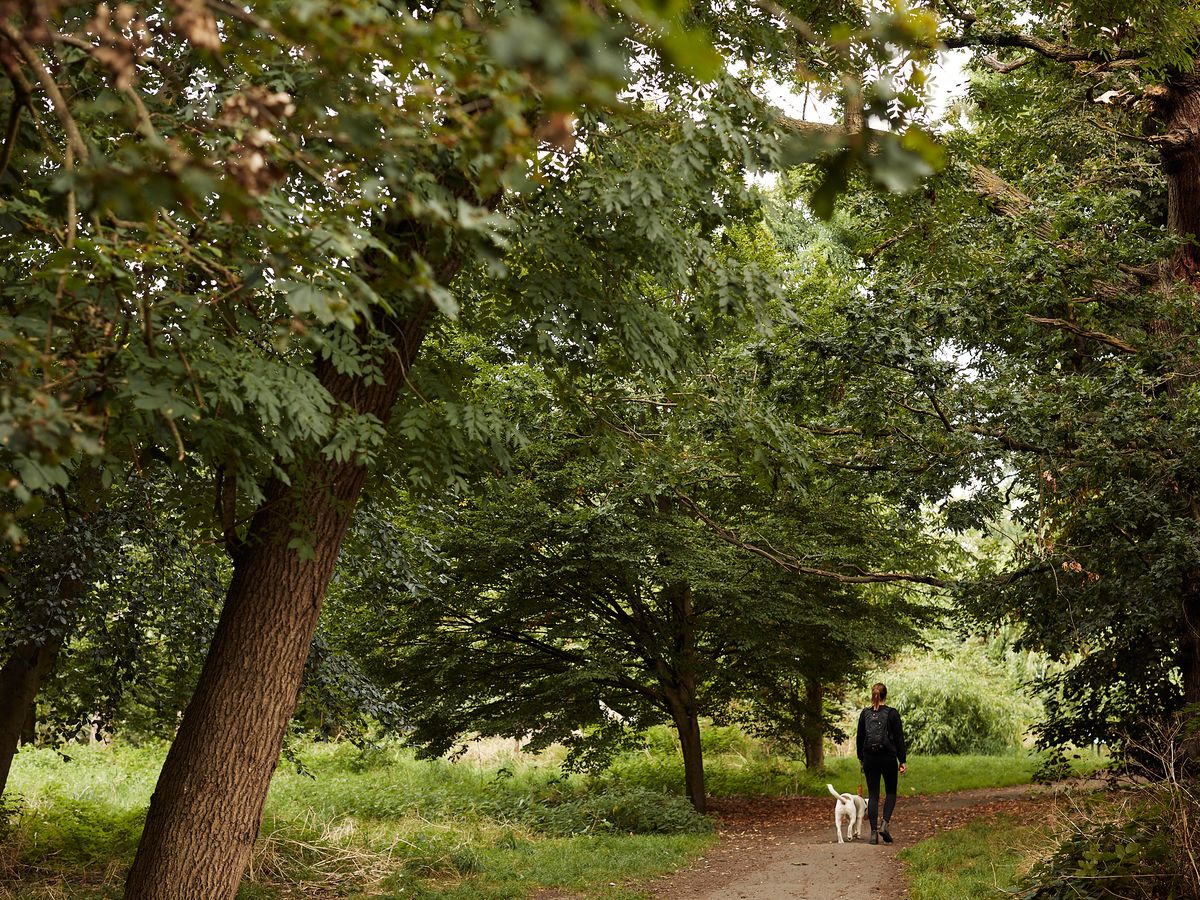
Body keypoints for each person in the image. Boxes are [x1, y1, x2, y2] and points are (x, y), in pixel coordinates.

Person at [855, 681, 906, 845]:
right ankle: (884, 824)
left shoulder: (865, 713)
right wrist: (902, 760)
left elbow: (860, 738)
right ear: (886, 695)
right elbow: (899, 739)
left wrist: (861, 759)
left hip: (870, 758)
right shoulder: (892, 713)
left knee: (873, 795)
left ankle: (873, 834)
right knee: (891, 792)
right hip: (888, 758)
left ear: (873, 695)